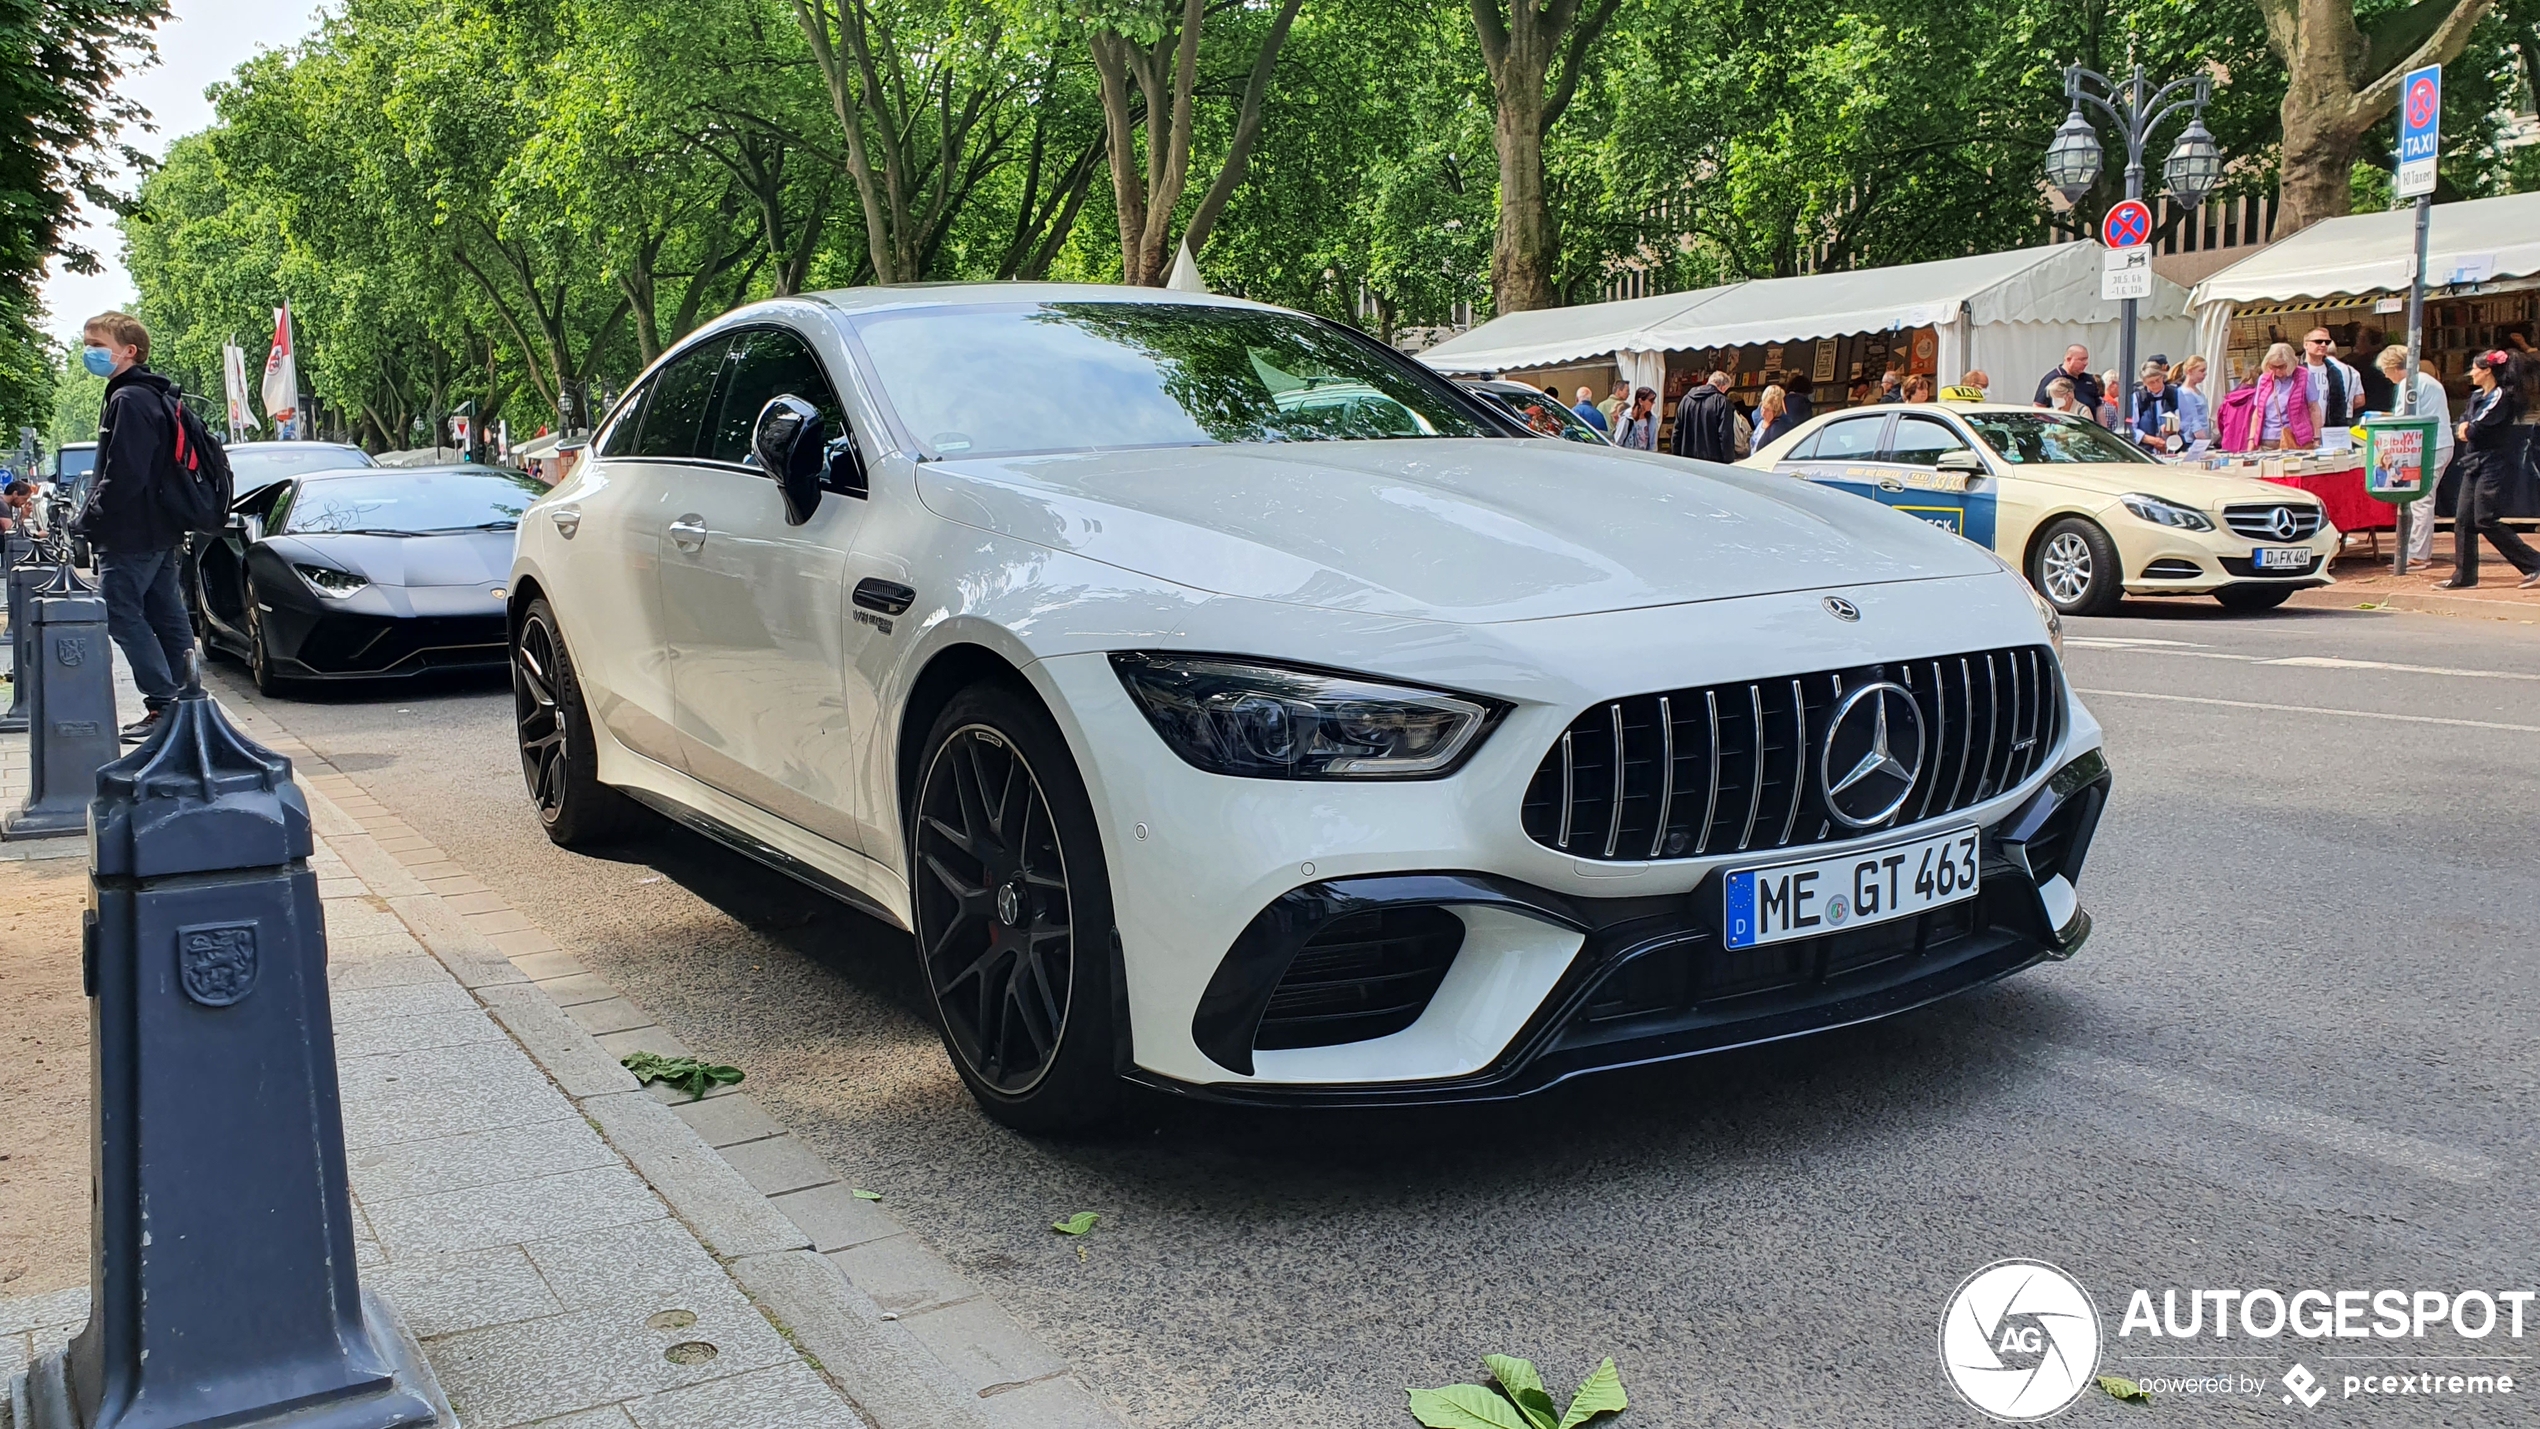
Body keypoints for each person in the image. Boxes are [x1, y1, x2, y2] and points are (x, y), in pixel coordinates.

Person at [68, 311, 197, 743]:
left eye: (97, 345)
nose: (89, 352)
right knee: (166, 612)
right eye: (86, 343)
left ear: (129, 351)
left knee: (120, 613)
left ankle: (163, 703)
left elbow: (124, 474)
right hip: (160, 527)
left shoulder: (128, 400)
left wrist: (88, 519)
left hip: (131, 532)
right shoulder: (153, 395)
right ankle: (187, 700)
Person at [2436, 350, 2540, 589]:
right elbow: (2463, 422)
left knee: (2485, 519)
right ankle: (2464, 576)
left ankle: (2534, 563)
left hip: (2495, 464)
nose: (2471, 373)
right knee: (2463, 520)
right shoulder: (2476, 397)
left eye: (2475, 368)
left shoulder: (2501, 397)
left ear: (2487, 371)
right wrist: (2465, 427)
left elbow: (2474, 429)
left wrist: (2466, 428)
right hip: (2474, 461)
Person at [2375, 344, 2453, 573]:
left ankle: (2418, 555)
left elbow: (2403, 418)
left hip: (2430, 446)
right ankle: (2416, 551)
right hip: (2439, 443)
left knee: (2421, 500)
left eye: (2385, 371)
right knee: (2422, 499)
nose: (2385, 376)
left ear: (2393, 367)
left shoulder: (2408, 384)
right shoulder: (2428, 381)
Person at [2224, 342, 2318, 452]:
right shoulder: (2264, 379)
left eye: (2281, 367)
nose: (2277, 371)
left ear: (2291, 363)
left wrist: (2317, 438)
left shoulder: (2304, 376)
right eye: (2272, 366)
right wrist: (2251, 439)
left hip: (2296, 441)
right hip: (2267, 441)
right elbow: (2257, 412)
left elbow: (2314, 409)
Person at [2302, 328, 2365, 449]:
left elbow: (2342, 404)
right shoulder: (2297, 372)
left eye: (2327, 342)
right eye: (2318, 341)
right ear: (2306, 344)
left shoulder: (2334, 372)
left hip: (2330, 431)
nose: (2323, 345)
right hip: (2304, 432)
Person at [1671, 370, 1738, 462]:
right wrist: (1728, 460)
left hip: (1686, 459)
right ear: (1723, 387)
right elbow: (1725, 435)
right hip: (1712, 461)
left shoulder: (1686, 400)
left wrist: (1676, 456)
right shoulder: (1722, 402)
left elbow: (1677, 432)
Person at [2129, 360, 2182, 450]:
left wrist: (2174, 428)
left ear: (2163, 377)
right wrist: (2152, 440)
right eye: (2151, 382)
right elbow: (2131, 428)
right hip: (2147, 450)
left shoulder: (2175, 393)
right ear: (2144, 382)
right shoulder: (2138, 397)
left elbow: (2186, 420)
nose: (2156, 384)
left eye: (2158, 380)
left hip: (2173, 447)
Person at [2034, 345, 2103, 414]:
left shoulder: (2089, 379)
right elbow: (2038, 407)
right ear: (2068, 359)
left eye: (2086, 359)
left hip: (2090, 423)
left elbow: (2099, 407)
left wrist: (2103, 425)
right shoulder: (2052, 379)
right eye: (2082, 359)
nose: (2086, 363)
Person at [2175, 355, 2214, 445]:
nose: (2205, 374)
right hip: (2193, 440)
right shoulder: (2185, 392)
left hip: (2202, 437)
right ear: (2190, 371)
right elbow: (2192, 418)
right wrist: (2203, 440)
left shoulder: (2196, 390)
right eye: (2201, 370)